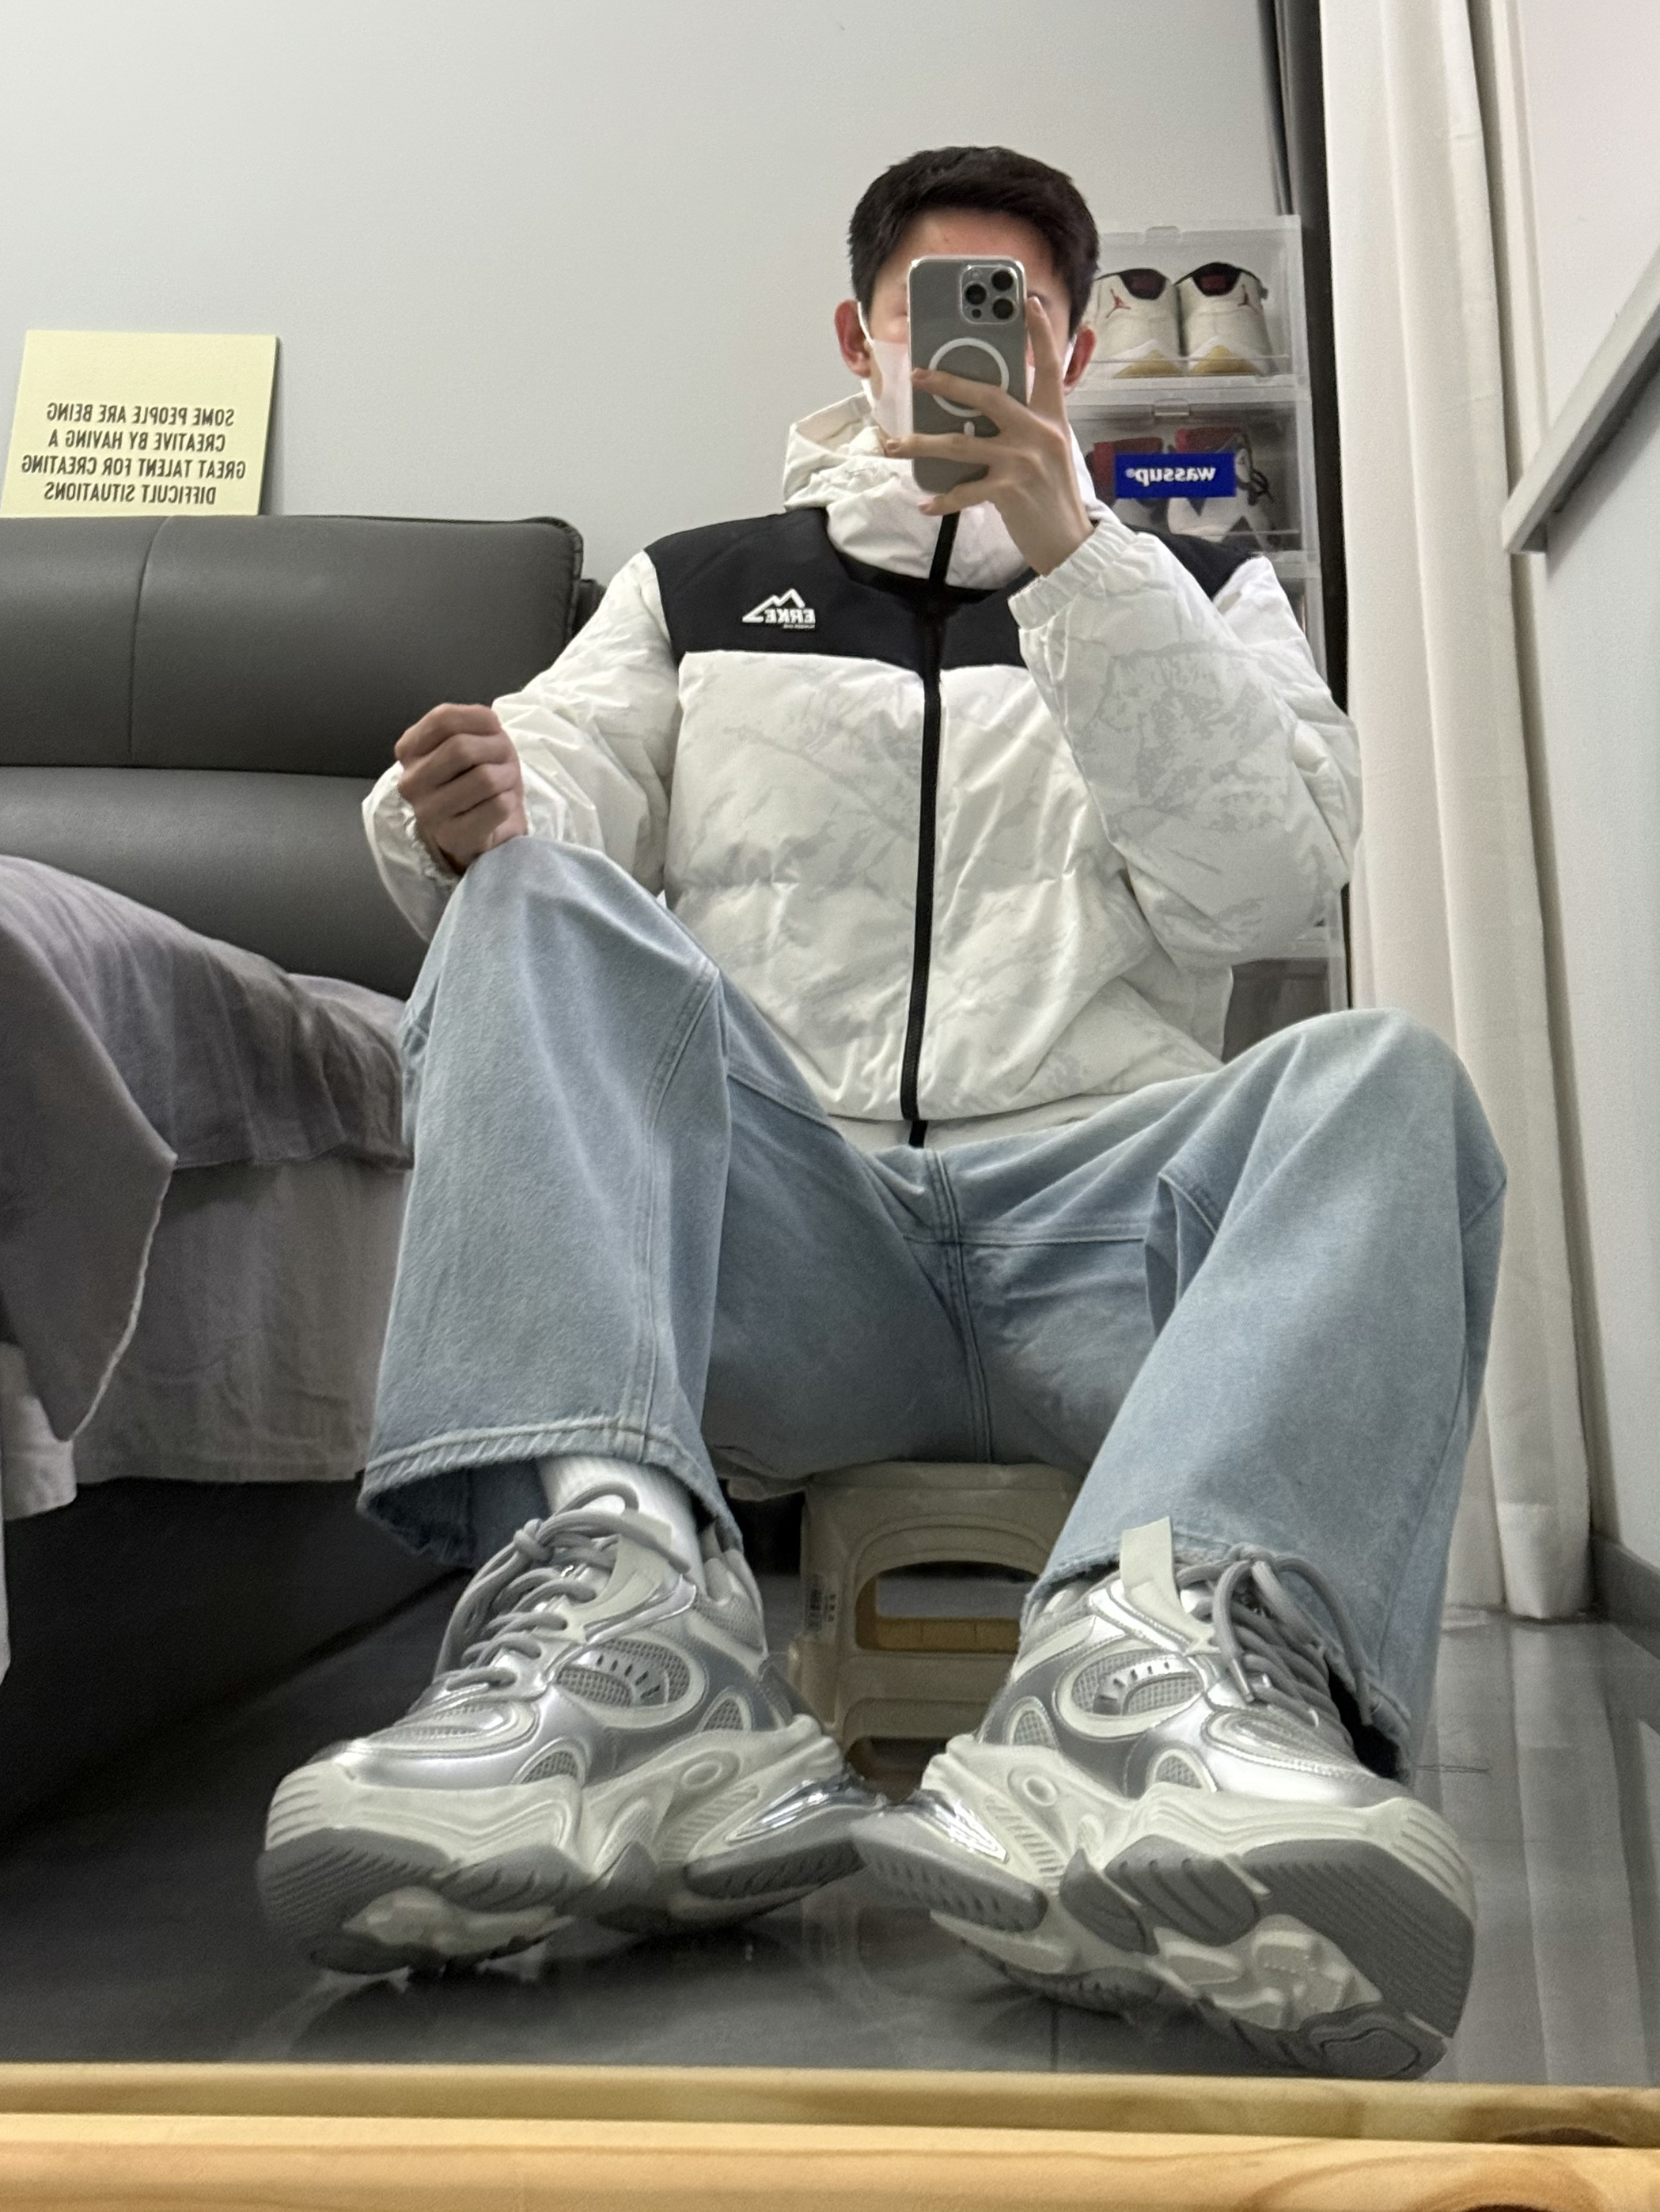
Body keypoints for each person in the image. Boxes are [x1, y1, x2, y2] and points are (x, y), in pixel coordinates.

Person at [258, 146, 1503, 2079]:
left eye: (1014, 319)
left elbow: (1266, 884)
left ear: (1067, 352)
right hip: (804, 1248)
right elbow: (555, 784)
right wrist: (474, 811)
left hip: (1103, 1255)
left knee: (1384, 1076)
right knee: (529, 908)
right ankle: (621, 1650)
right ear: (858, 338)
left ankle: (1161, 1699)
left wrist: (1078, 562)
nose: (969, 356)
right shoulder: (696, 586)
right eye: (931, 315)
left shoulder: (1189, 588)